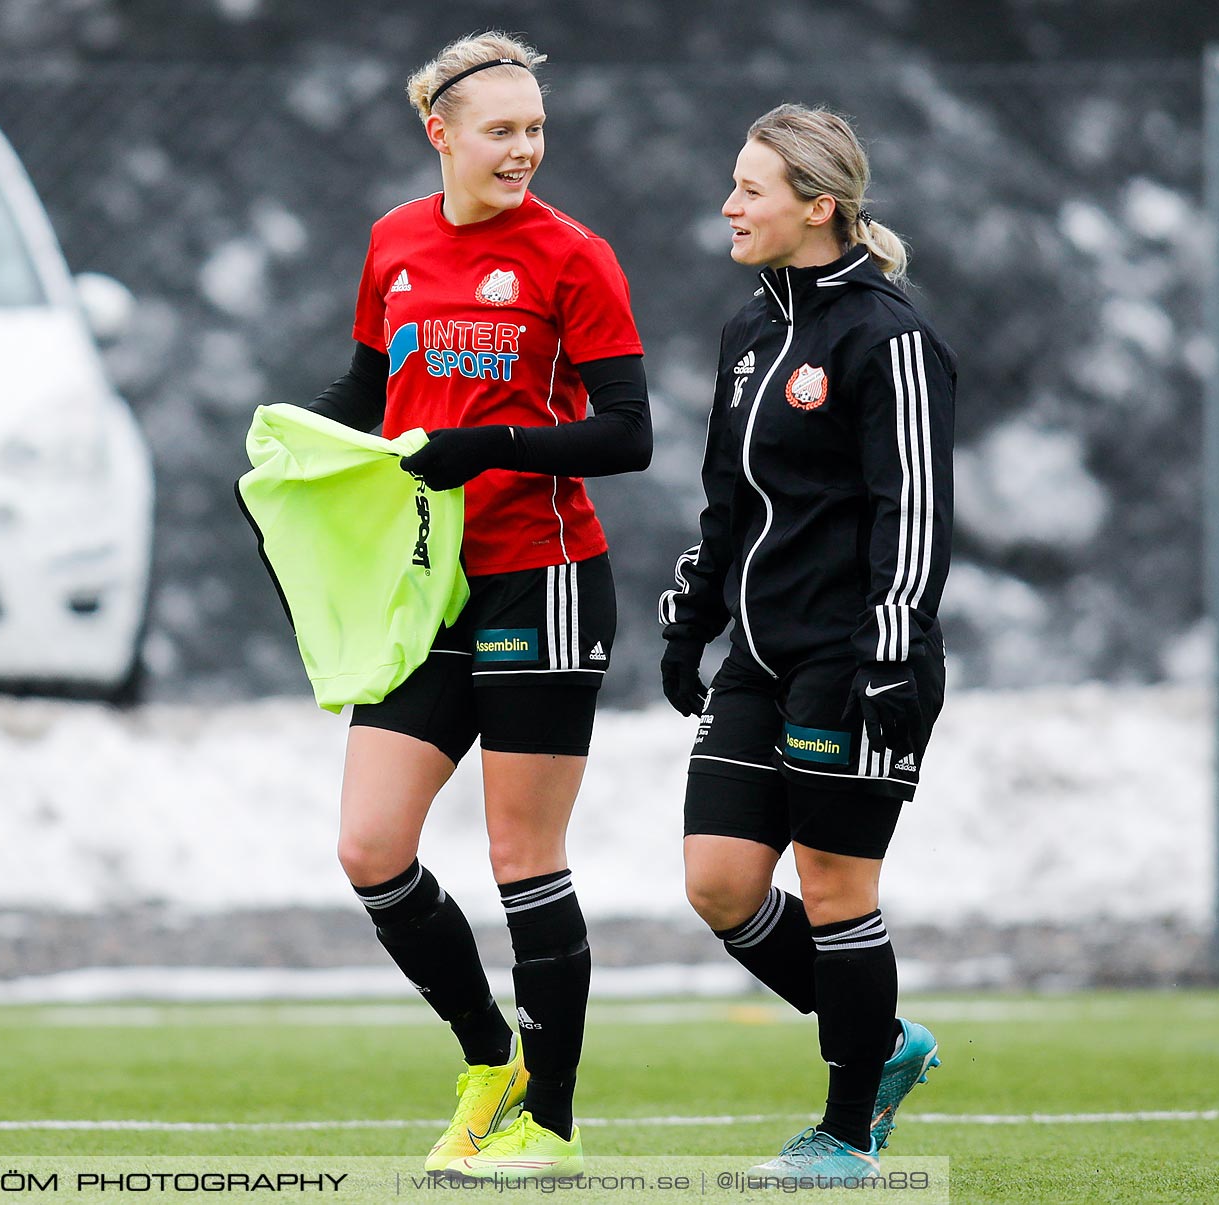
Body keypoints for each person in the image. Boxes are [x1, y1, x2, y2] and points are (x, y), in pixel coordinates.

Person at [301, 30, 651, 1179]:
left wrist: (485, 446)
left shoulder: (573, 256)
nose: (523, 150)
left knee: (521, 853)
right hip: (428, 587)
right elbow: (370, 385)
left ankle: (551, 1120)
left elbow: (627, 432)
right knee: (368, 845)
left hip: (543, 576)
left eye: (535, 129)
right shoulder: (393, 240)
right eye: (501, 130)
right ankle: (489, 1057)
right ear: (439, 131)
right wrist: (302, 451)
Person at [658, 103, 954, 1182]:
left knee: (837, 892)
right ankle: (885, 1041)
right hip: (762, 657)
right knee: (721, 884)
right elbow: (726, 503)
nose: (729, 205)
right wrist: (692, 621)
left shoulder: (891, 336)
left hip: (855, 658)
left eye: (751, 188)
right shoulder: (748, 334)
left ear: (817, 206)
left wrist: (886, 655)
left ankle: (846, 1131)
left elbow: (911, 511)